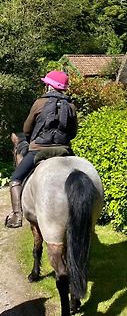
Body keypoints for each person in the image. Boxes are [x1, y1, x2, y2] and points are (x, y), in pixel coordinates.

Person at [5, 70, 78, 228]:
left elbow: (26, 129)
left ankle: (17, 216)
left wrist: (33, 140)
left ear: (49, 87)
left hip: (39, 150)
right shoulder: (71, 106)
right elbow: (73, 133)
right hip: (64, 151)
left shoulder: (39, 103)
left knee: (15, 179)